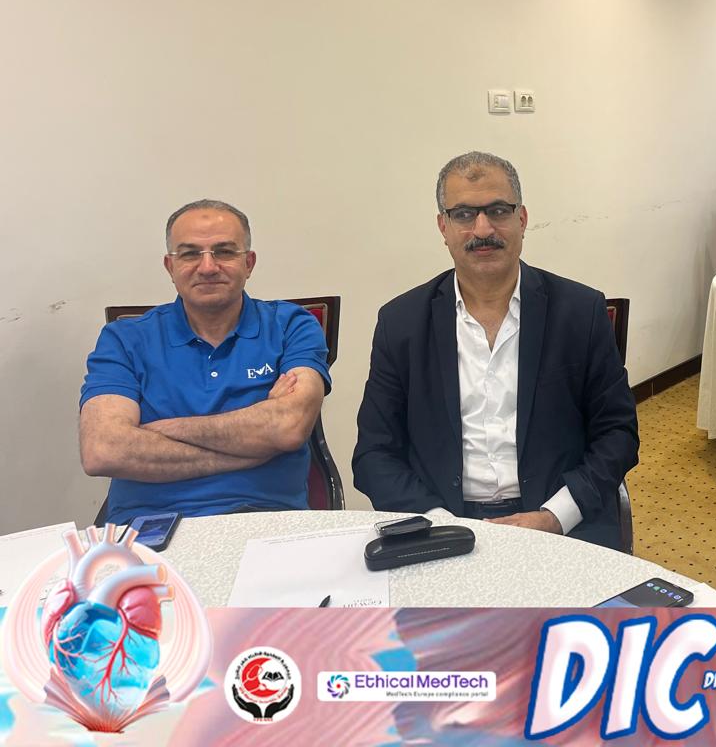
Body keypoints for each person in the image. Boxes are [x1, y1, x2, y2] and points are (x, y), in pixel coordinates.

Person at [352, 151, 639, 549]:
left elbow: (617, 434)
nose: (483, 228)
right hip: (440, 520)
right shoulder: (401, 322)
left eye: (498, 210)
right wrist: (440, 523)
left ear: (522, 219)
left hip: (561, 521)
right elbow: (374, 454)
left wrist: (556, 516)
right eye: (464, 214)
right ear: (443, 226)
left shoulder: (580, 311)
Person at [79, 200, 331, 525]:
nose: (208, 267)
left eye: (224, 251)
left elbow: (288, 427)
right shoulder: (124, 339)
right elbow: (104, 450)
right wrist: (256, 446)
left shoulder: (291, 325)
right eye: (190, 254)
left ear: (249, 263)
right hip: (148, 527)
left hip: (266, 520)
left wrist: (163, 431)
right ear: (170, 267)